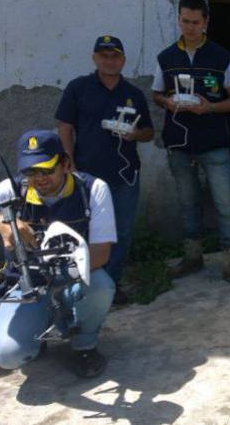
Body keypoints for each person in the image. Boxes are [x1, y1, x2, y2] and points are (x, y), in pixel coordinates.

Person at [0, 130, 117, 377]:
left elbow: (100, 254)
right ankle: (38, 330)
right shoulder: (12, 189)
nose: (39, 178)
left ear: (65, 164)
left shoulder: (92, 189)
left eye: (47, 169)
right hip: (27, 283)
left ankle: (84, 345)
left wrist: (57, 271)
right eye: (30, 171)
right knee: (6, 355)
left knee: (101, 285)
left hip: (74, 275)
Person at [151, 0, 230, 290]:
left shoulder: (222, 57)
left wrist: (209, 107)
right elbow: (156, 93)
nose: (190, 27)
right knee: (188, 203)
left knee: (227, 204)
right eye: (185, 21)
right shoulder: (166, 57)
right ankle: (192, 257)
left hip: (214, 143)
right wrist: (166, 102)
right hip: (179, 142)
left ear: (206, 22)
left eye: (196, 22)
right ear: (179, 20)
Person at [56, 35, 154, 305]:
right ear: (95, 58)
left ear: (123, 59)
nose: (109, 61)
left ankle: (111, 285)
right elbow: (64, 127)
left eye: (115, 56)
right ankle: (82, 289)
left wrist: (135, 134)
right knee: (84, 233)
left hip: (125, 175)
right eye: (104, 56)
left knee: (120, 233)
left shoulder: (133, 94)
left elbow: (149, 132)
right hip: (86, 175)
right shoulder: (79, 88)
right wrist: (69, 163)